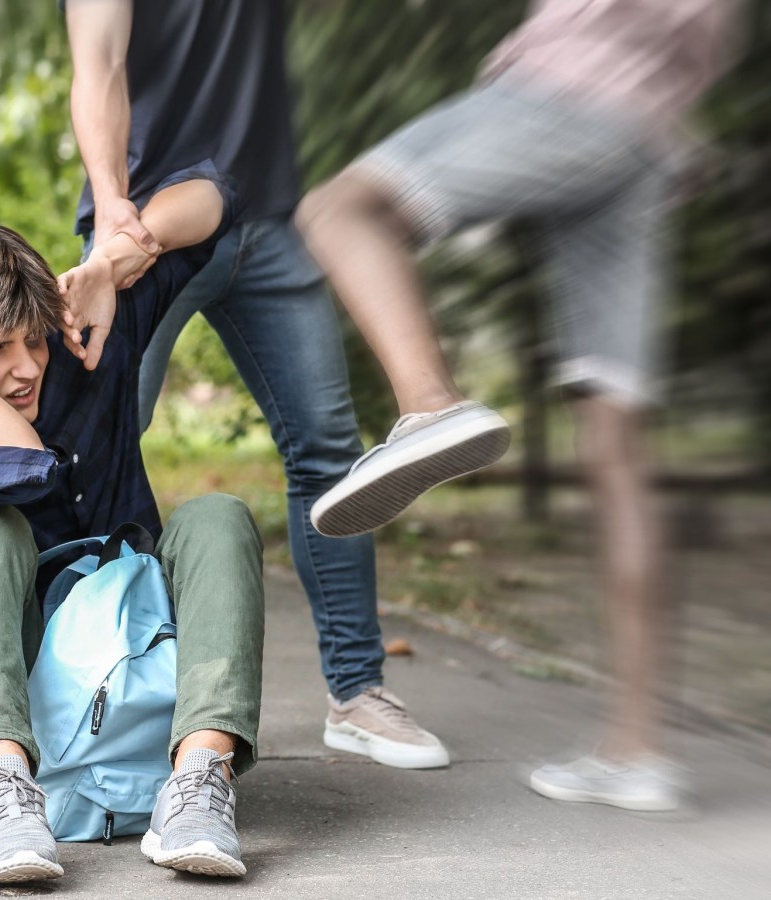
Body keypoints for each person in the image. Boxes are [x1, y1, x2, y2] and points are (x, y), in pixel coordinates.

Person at [295, 0, 738, 811]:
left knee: (341, 210)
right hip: (647, 134)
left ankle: (431, 405)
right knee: (617, 448)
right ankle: (637, 752)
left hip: (565, 82)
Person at [0, 170, 265, 883]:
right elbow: (19, 469)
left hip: (137, 684)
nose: (24, 368)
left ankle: (200, 780)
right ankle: (4, 797)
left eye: (30, 340)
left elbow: (223, 199)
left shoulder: (82, 341)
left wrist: (108, 262)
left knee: (218, 516)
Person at [61, 0, 450, 772]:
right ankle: (83, 685)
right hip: (143, 230)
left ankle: (357, 691)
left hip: (268, 217)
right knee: (94, 457)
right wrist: (110, 206)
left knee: (327, 451)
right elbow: (97, 65)